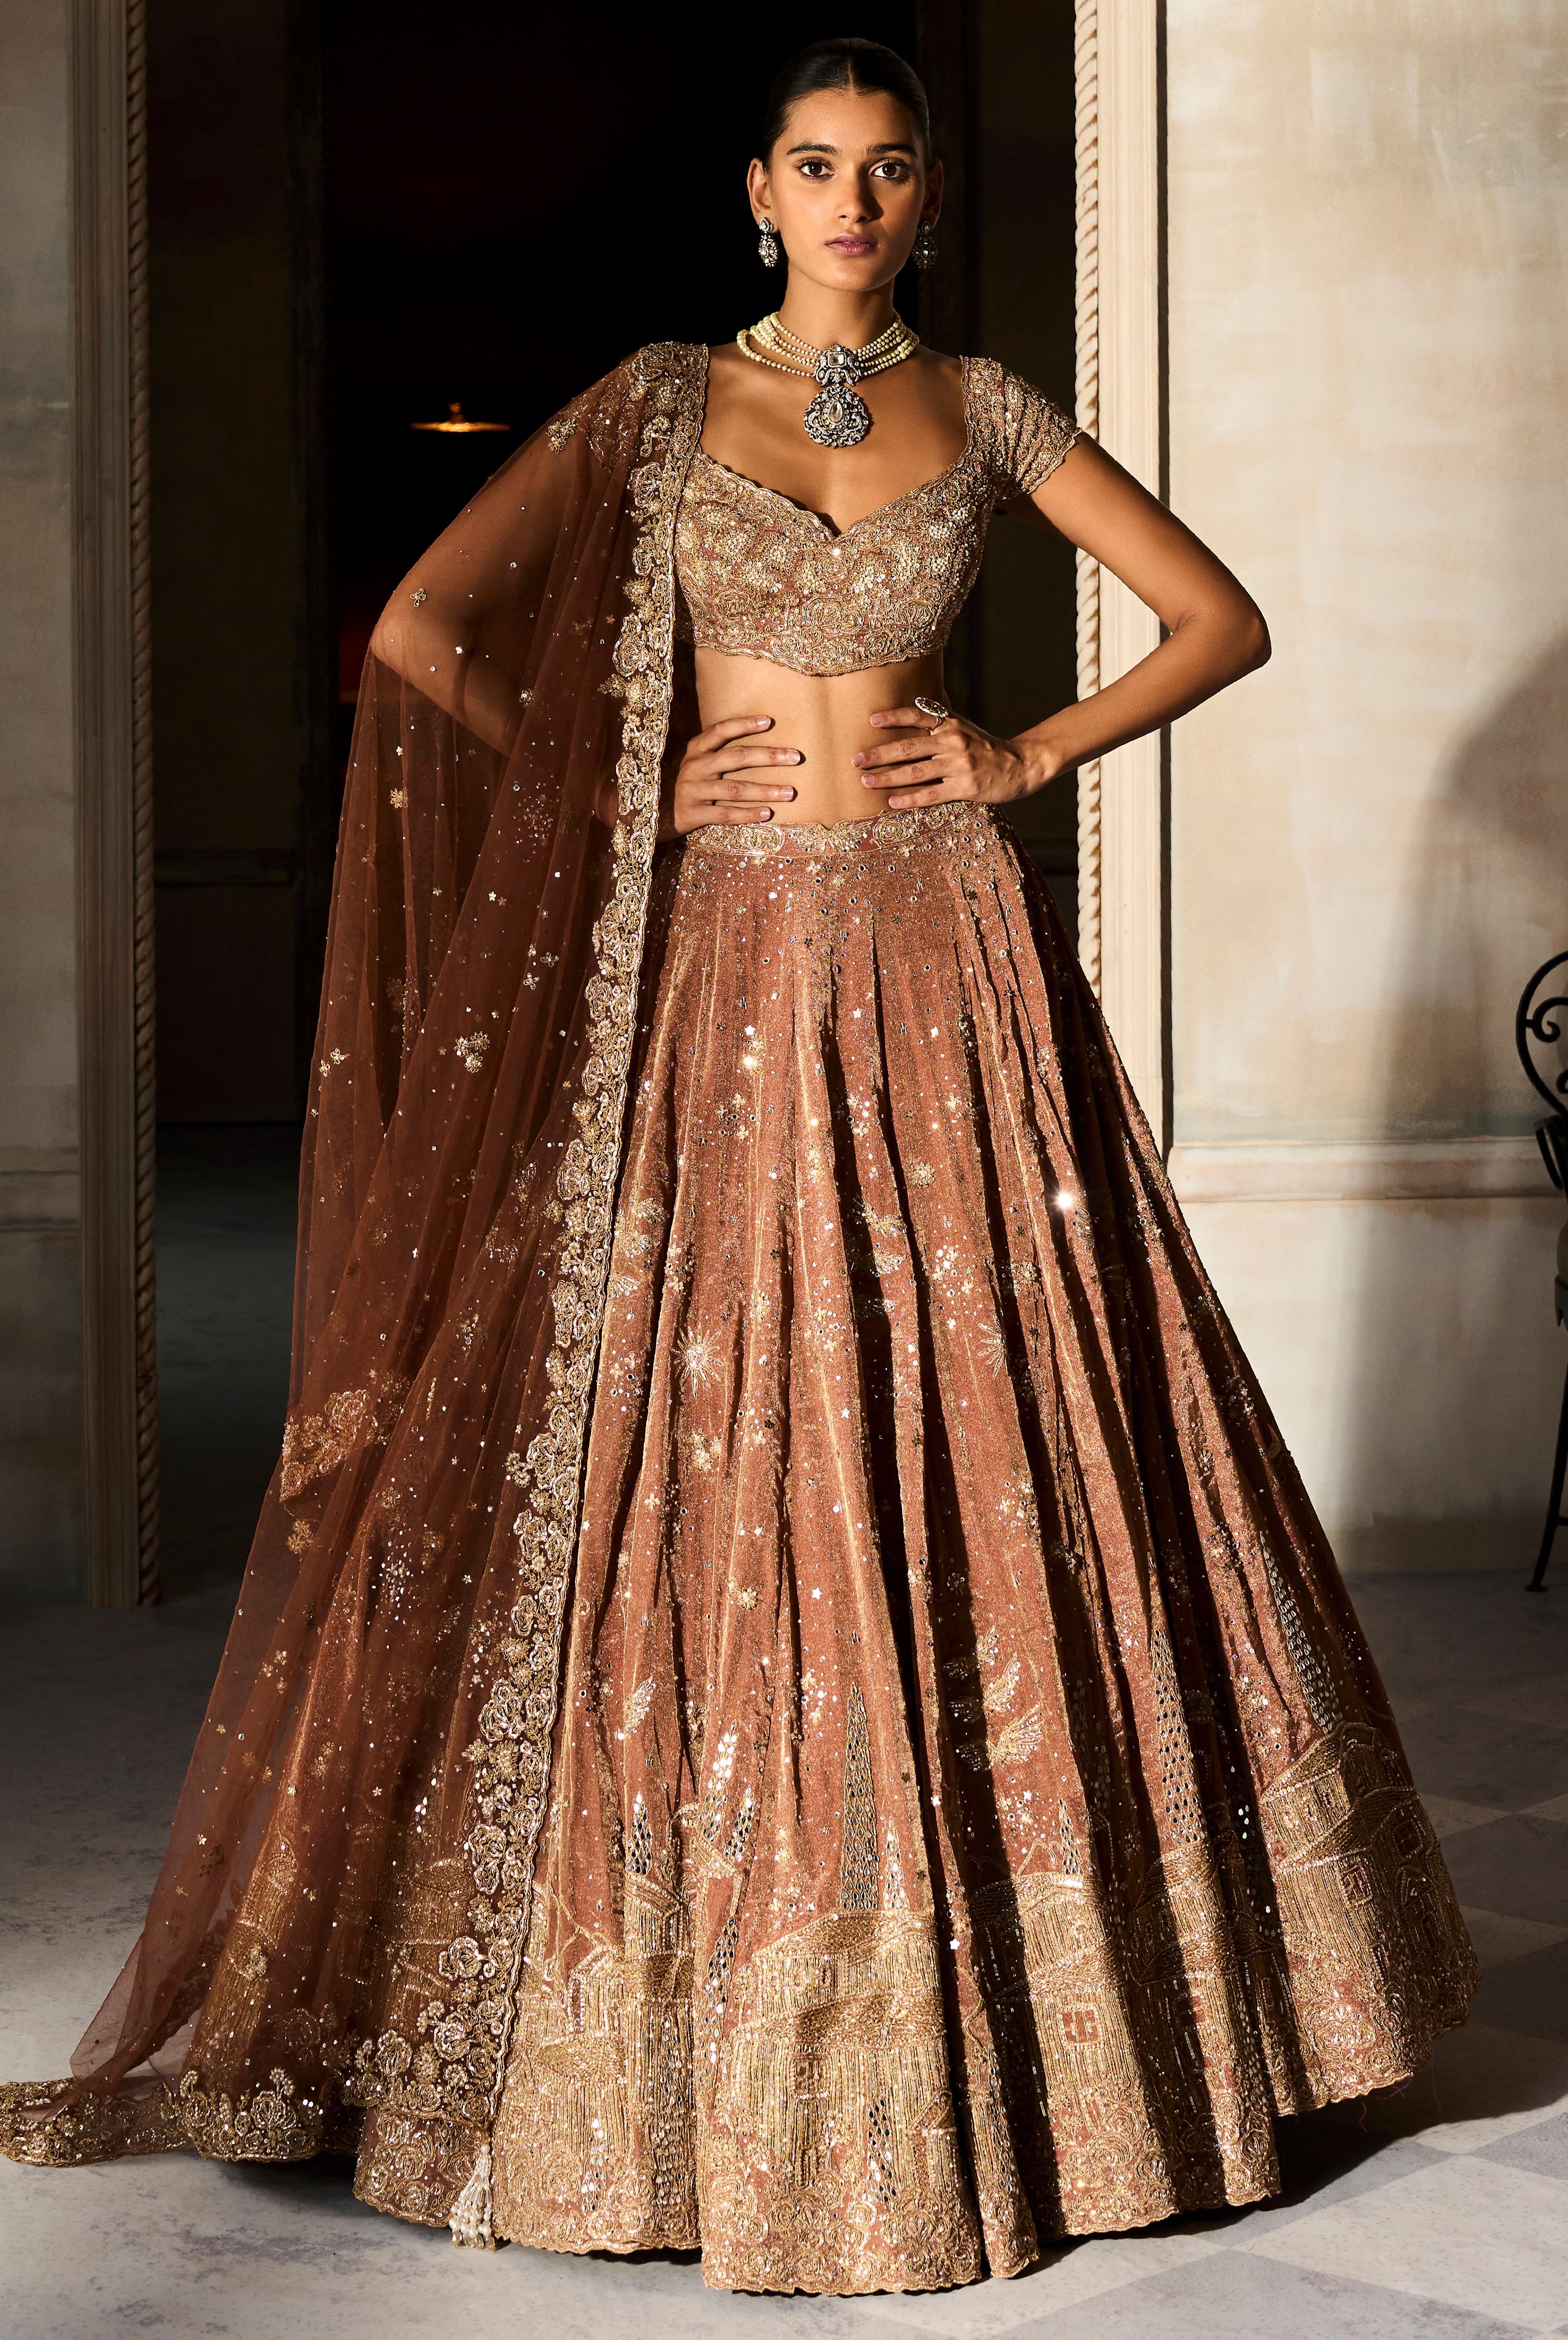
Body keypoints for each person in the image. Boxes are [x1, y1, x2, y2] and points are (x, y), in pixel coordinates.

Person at [3, 35, 1475, 2297]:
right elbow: (418, 631)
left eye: (890, 168)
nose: (854, 200)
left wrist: (1023, 754)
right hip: (727, 971)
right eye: (817, 165)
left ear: (927, 200)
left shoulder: (990, 411)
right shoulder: (658, 406)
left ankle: (1074, 2021)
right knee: (724, 1421)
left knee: (1001, 1416)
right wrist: (618, 792)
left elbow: (1222, 620)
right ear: (760, 194)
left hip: (952, 959)